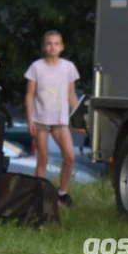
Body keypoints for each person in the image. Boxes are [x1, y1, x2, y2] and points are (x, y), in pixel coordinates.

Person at [24, 30, 80, 205]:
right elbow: (30, 95)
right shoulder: (36, 67)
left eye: (56, 43)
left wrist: (78, 118)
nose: (52, 47)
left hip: (60, 119)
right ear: (44, 47)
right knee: (43, 159)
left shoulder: (68, 68)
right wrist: (30, 119)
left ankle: (62, 193)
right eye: (49, 43)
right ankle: (37, 195)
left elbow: (71, 95)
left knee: (70, 156)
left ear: (62, 47)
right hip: (41, 118)